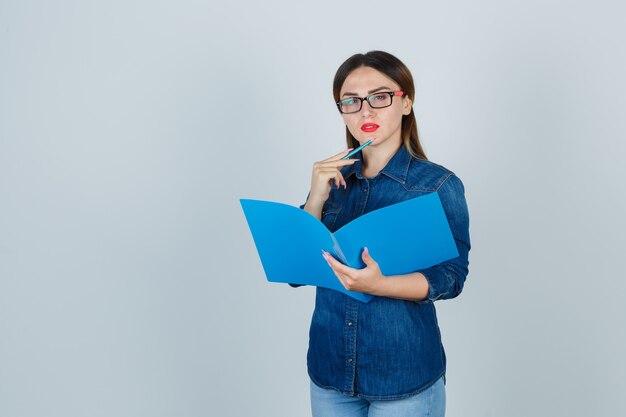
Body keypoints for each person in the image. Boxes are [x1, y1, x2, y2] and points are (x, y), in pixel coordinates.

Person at [295, 50, 471, 417]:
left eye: (380, 96)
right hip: (330, 372)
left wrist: (380, 285)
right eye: (352, 101)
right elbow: (297, 270)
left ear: (406, 102)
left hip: (402, 377)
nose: (366, 111)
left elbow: (451, 278)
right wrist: (315, 196)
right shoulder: (333, 182)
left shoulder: (437, 185)